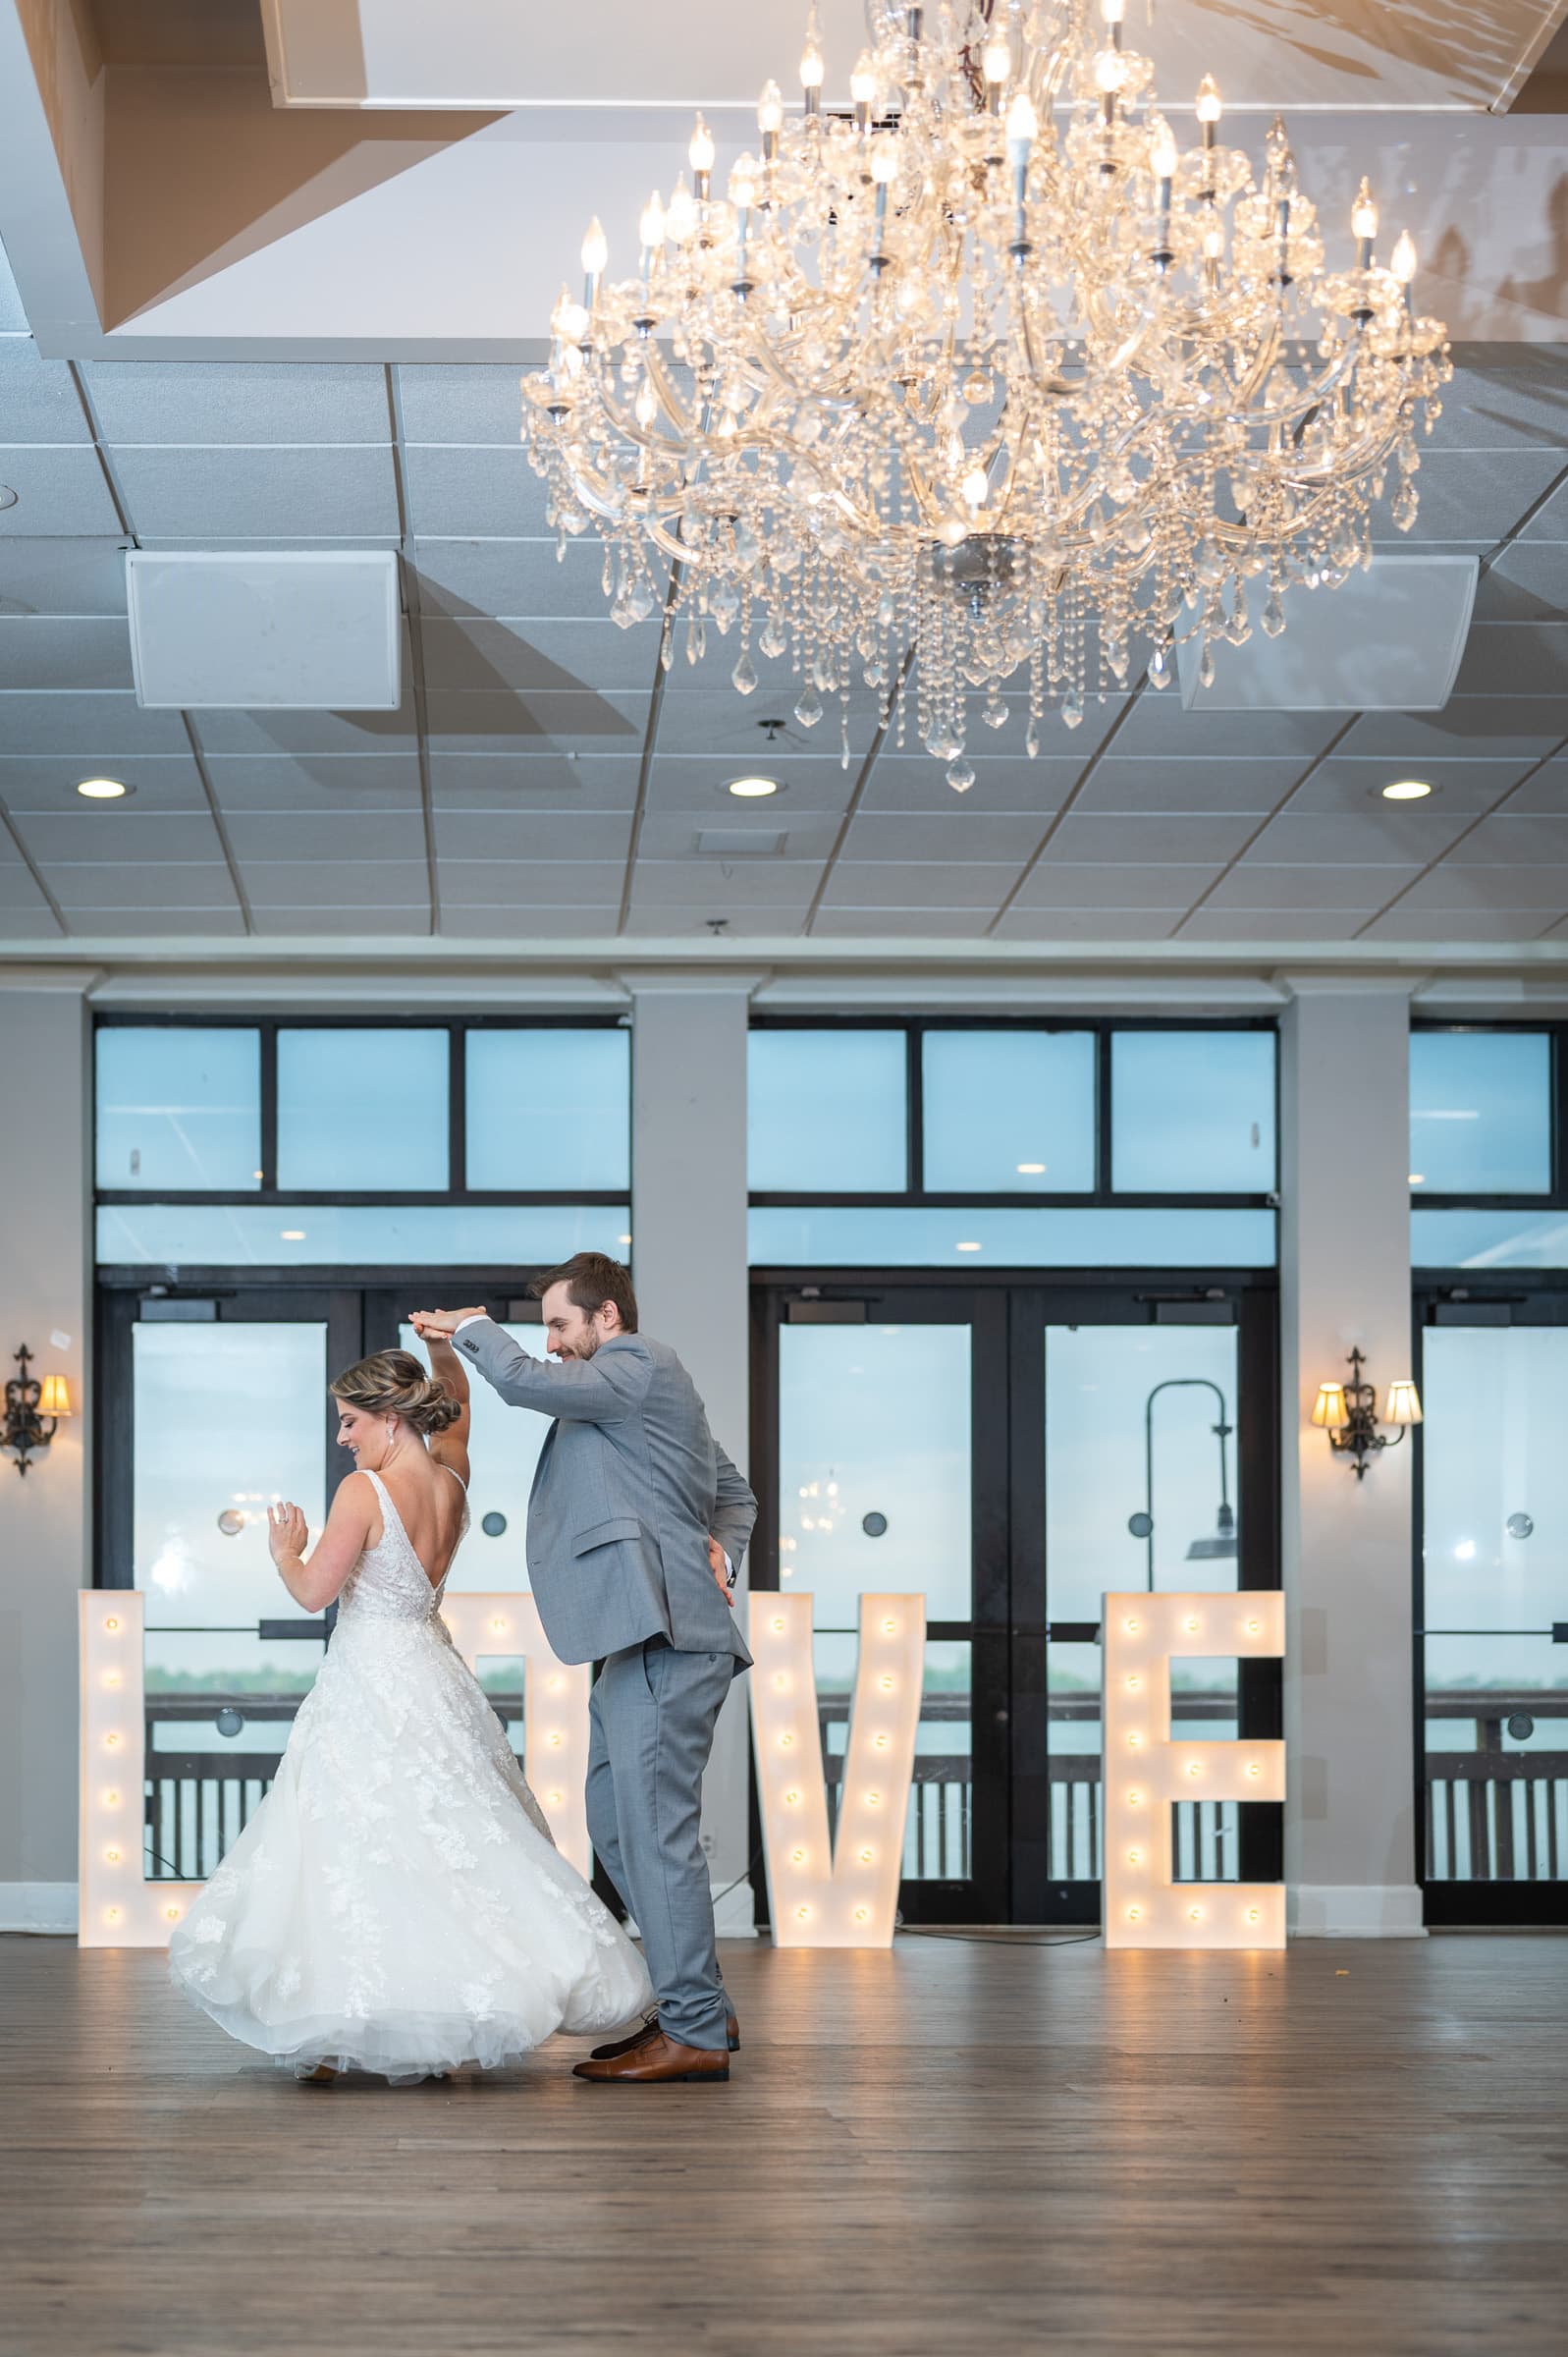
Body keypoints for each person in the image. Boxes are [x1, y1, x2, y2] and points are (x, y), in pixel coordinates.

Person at [167, 1342, 652, 2084]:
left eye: (349, 1420)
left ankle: (332, 2032)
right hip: (434, 1674)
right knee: (452, 1842)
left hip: (370, 1678)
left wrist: (284, 1551)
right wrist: (439, 1350)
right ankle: (449, 2031)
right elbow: (457, 1414)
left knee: (349, 1847)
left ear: (390, 1419)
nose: (342, 1438)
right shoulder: (451, 1480)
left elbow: (312, 1595)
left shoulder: (363, 1492)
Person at [411, 1251, 757, 2086]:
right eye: (548, 1331)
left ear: (608, 1318)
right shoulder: (623, 1402)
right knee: (614, 1827)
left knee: (654, 1835)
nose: (555, 1345)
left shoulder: (639, 1364)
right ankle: (691, 2002)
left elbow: (526, 1382)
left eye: (562, 1326)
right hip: (629, 1642)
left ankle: (695, 2029)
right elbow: (733, 1492)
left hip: (666, 1636)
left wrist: (474, 1327)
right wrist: (725, 1543)